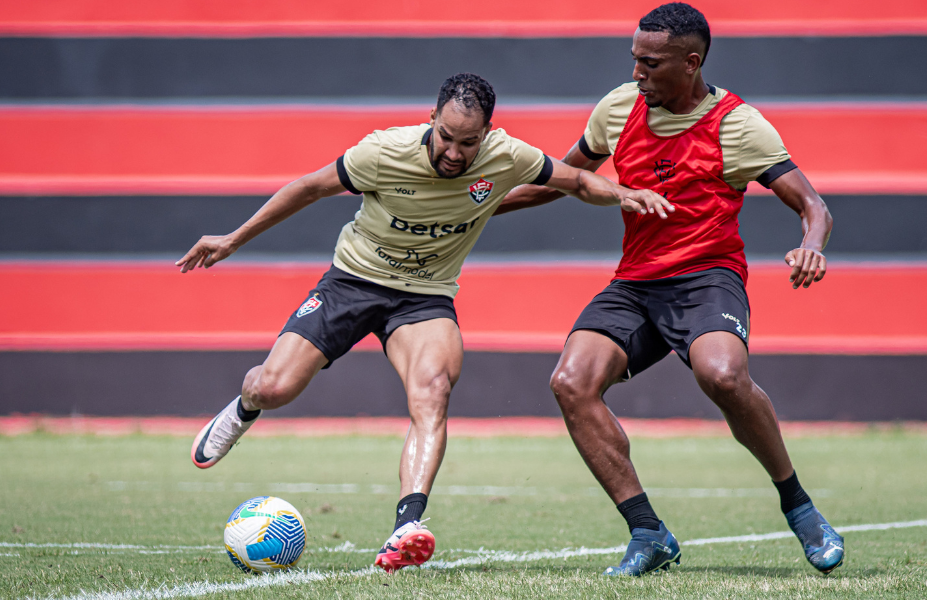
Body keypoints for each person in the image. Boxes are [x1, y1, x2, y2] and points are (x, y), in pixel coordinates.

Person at [176, 73, 667, 573]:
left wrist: (621, 194)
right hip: (352, 282)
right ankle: (244, 406)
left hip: (425, 297)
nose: (454, 152)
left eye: (468, 142)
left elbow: (578, 179)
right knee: (275, 387)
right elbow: (307, 188)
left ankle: (406, 525)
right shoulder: (383, 151)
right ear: (431, 120)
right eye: (446, 137)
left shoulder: (508, 155)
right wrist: (233, 239)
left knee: (432, 389)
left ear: (488, 133)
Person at [498, 3, 844, 576]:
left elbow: (814, 206)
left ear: (691, 63)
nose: (637, 74)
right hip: (635, 283)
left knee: (723, 375)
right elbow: (561, 180)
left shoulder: (739, 125)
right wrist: (471, 208)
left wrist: (812, 243)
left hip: (706, 279)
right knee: (570, 382)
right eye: (634, 60)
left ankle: (799, 506)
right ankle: (647, 531)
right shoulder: (617, 108)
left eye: (650, 64)